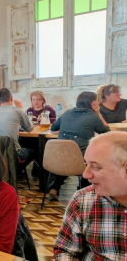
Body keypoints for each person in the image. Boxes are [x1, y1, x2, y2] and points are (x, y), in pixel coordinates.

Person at [54, 132, 127, 260]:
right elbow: (65, 251)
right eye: (86, 164)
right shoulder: (83, 200)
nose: (85, 174)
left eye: (96, 167)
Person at [47, 91, 110, 201]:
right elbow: (106, 132)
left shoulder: (66, 113)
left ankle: (54, 187)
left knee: (67, 160)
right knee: (90, 161)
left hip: (58, 159)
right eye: (96, 100)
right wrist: (98, 113)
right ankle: (84, 191)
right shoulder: (92, 117)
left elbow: (53, 128)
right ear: (92, 103)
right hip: (80, 160)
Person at [0, 88, 34, 173]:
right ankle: (15, 172)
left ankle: (10, 172)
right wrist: (20, 108)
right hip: (13, 154)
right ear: (11, 98)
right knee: (34, 150)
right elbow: (30, 128)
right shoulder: (17, 110)